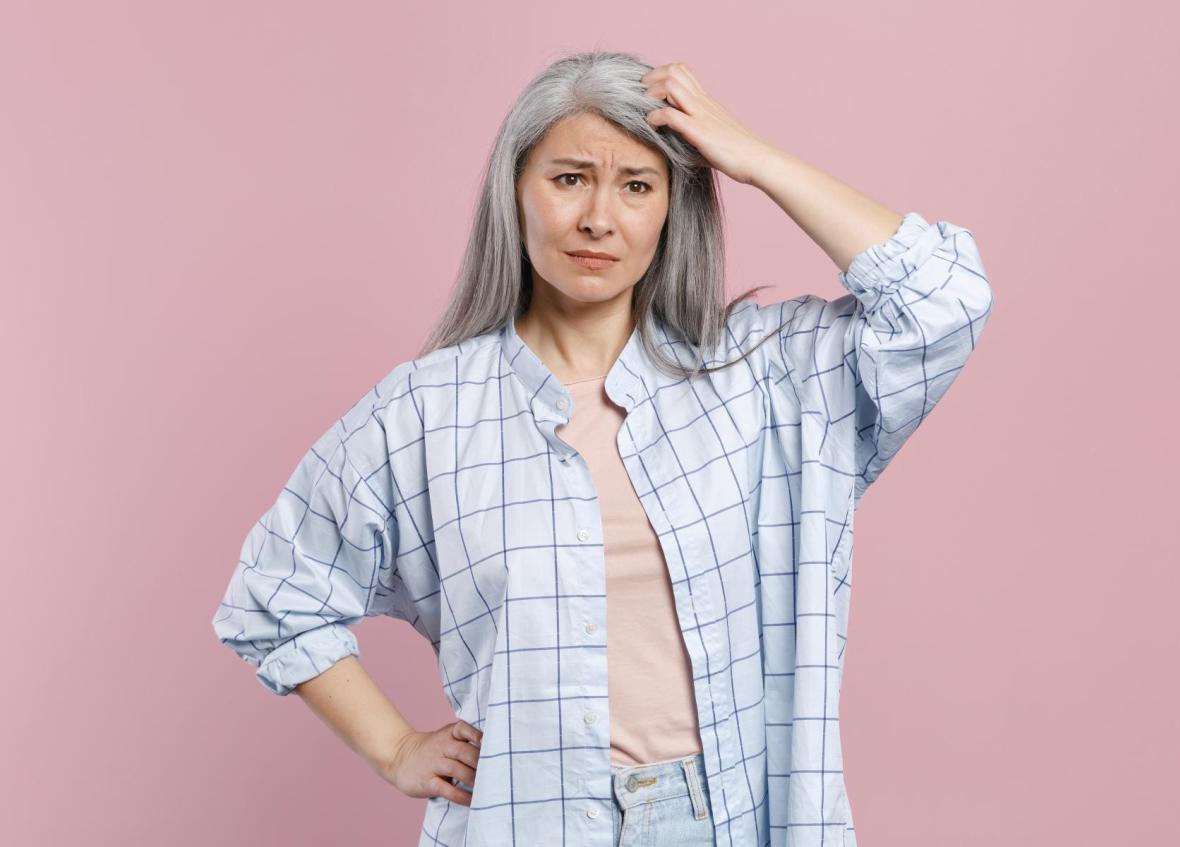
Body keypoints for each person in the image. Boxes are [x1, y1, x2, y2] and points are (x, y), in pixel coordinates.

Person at [211, 50, 994, 847]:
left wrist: (753, 158)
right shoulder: (425, 413)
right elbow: (274, 591)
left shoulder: (763, 377)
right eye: (569, 177)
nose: (599, 218)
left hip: (725, 820)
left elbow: (944, 298)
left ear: (671, 209)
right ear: (514, 192)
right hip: (528, 822)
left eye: (637, 186)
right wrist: (396, 748)